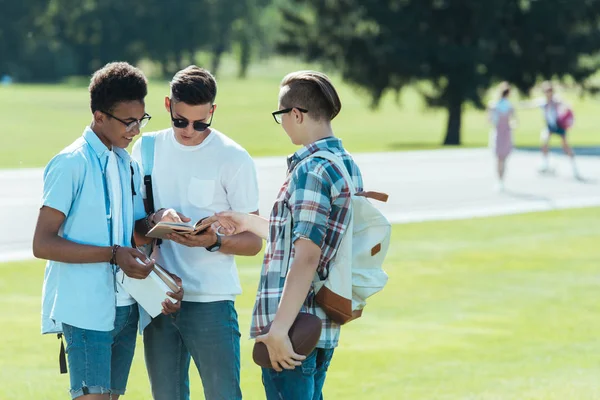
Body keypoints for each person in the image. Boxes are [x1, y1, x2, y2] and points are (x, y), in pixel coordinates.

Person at [210, 70, 364, 400]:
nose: (281, 123)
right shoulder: (345, 163)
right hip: (319, 327)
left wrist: (278, 329)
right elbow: (305, 239)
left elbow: (307, 255)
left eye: (280, 116)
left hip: (294, 331)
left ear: (295, 114)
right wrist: (247, 222)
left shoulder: (310, 170)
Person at [33, 62, 181, 400]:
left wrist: (164, 223)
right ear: (99, 117)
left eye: (141, 120)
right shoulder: (71, 163)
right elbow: (42, 243)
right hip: (84, 309)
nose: (136, 130)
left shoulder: (128, 164)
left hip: (127, 306)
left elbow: (133, 235)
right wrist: (113, 255)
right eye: (129, 122)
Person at [131, 65, 262, 400]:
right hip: (158, 296)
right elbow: (132, 228)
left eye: (200, 123)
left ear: (213, 111)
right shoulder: (145, 149)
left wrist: (215, 241)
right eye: (180, 121)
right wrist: (157, 219)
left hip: (211, 300)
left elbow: (253, 242)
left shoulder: (233, 158)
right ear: (167, 106)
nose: (189, 130)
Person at [526, 81, 580, 178]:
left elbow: (567, 106)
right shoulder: (543, 102)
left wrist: (564, 108)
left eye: (550, 91)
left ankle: (574, 167)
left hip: (559, 125)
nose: (548, 93)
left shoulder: (556, 101)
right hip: (550, 126)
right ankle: (545, 164)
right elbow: (531, 104)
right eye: (546, 91)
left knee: (565, 146)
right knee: (544, 141)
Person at [487, 82, 515, 191]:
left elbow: (490, 120)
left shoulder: (495, 105)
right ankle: (501, 180)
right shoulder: (506, 106)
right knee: (503, 158)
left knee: (499, 158)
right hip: (505, 132)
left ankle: (500, 180)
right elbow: (514, 121)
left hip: (500, 132)